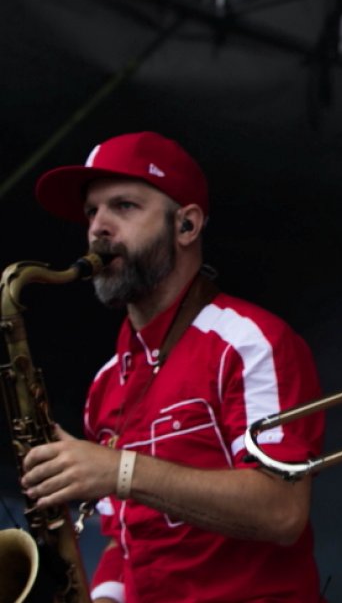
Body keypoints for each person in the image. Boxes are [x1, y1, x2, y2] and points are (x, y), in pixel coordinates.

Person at [20, 131, 324, 602]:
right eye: (91, 212)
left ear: (186, 226)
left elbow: (283, 510)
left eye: (123, 206)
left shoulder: (250, 343)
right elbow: (126, 542)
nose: (98, 227)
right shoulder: (106, 383)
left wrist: (119, 471)